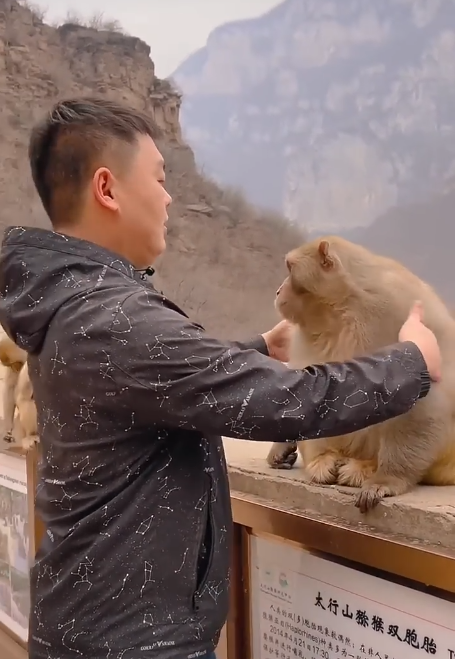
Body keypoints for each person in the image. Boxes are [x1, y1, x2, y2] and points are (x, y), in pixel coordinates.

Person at [0, 98, 441, 659]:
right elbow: (284, 401)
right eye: (159, 180)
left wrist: (259, 349)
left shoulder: (73, 304)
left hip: (90, 624)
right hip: (134, 643)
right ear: (107, 189)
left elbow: (148, 384)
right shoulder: (114, 318)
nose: (169, 198)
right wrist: (412, 362)